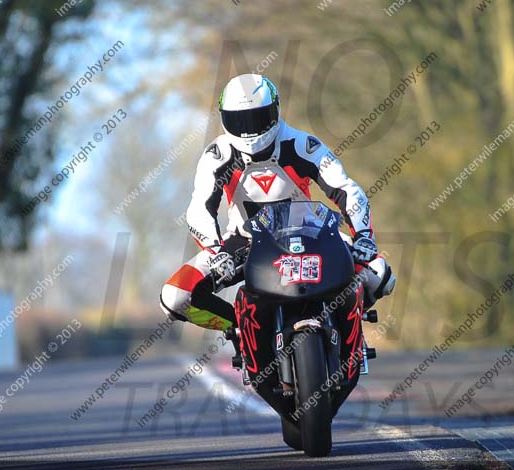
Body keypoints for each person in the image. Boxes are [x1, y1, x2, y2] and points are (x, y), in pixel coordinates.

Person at [160, 73, 396, 333]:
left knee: (379, 274)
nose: (248, 130)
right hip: (243, 243)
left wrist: (363, 235)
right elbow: (200, 209)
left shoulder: (303, 144)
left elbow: (345, 189)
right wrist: (216, 252)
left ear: (275, 110)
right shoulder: (216, 156)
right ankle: (243, 329)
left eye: (257, 118)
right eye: (239, 120)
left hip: (313, 235)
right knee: (175, 296)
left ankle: (346, 329)